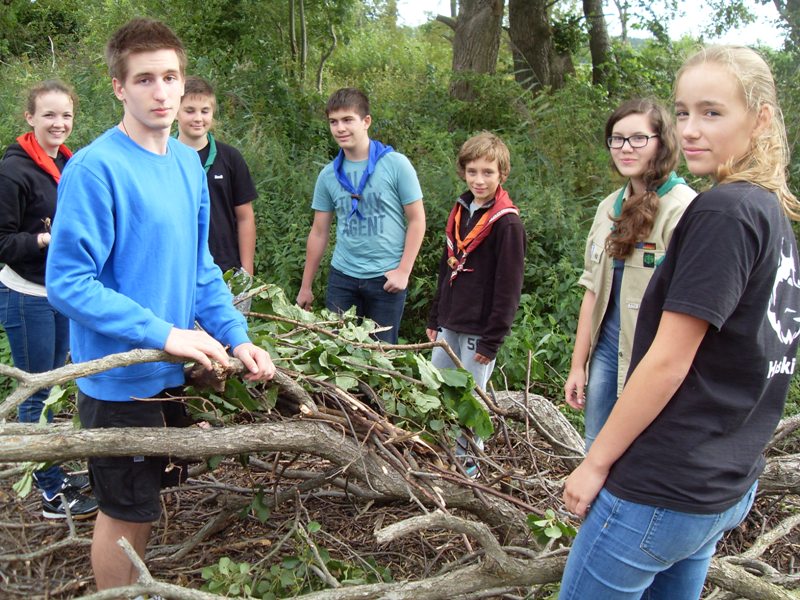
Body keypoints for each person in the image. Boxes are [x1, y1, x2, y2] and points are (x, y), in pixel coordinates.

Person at [561, 45, 800, 599]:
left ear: (760, 118)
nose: (690, 129)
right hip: (722, 485)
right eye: (684, 111)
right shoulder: (767, 210)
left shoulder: (722, 213)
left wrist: (595, 463)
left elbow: (668, 362)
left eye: (712, 112)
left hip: (662, 487)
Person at [45, 18, 275, 591]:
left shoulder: (186, 164)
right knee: (123, 512)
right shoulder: (95, 169)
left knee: (144, 505)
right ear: (118, 87)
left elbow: (201, 271)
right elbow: (69, 283)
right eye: (144, 79)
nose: (161, 91)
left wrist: (237, 336)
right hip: (118, 381)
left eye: (170, 77)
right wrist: (167, 334)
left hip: (167, 373)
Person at [564, 99, 696, 450]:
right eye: (617, 139)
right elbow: (592, 291)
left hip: (653, 359)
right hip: (606, 353)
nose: (625, 148)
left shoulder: (684, 209)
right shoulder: (608, 207)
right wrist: (578, 365)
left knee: (641, 453)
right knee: (595, 448)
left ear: (662, 142)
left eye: (638, 138)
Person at [0, 80, 98, 519]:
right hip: (27, 295)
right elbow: (3, 242)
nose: (59, 124)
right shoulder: (13, 172)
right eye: (49, 115)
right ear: (30, 118)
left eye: (66, 115)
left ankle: (53, 472)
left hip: (61, 291)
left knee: (56, 383)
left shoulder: (67, 163)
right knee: (36, 390)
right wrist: (45, 239)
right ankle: (51, 494)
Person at [425, 132, 526, 475]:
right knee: (437, 385)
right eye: (472, 172)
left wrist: (492, 339)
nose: (479, 180)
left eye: (487, 172)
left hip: (479, 330)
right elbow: (446, 268)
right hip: (450, 321)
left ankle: (471, 463)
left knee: (472, 397)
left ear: (502, 174)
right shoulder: (460, 210)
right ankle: (440, 454)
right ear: (463, 172)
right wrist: (435, 317)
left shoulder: (507, 223)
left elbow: (509, 287)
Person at [296, 88, 425, 343]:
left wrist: (403, 271)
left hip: (386, 278)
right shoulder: (328, 175)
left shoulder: (395, 164)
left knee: (381, 355)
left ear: (366, 121)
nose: (340, 128)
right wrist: (305, 286)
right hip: (343, 277)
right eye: (333, 122)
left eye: (347, 120)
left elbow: (417, 219)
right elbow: (319, 232)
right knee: (337, 350)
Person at [175, 76, 258, 275]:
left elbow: (245, 217)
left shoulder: (230, 158)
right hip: (178, 268)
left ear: (212, 112)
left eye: (205, 111)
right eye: (189, 110)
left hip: (225, 268)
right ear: (175, 111)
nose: (198, 118)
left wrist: (246, 272)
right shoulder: (163, 157)